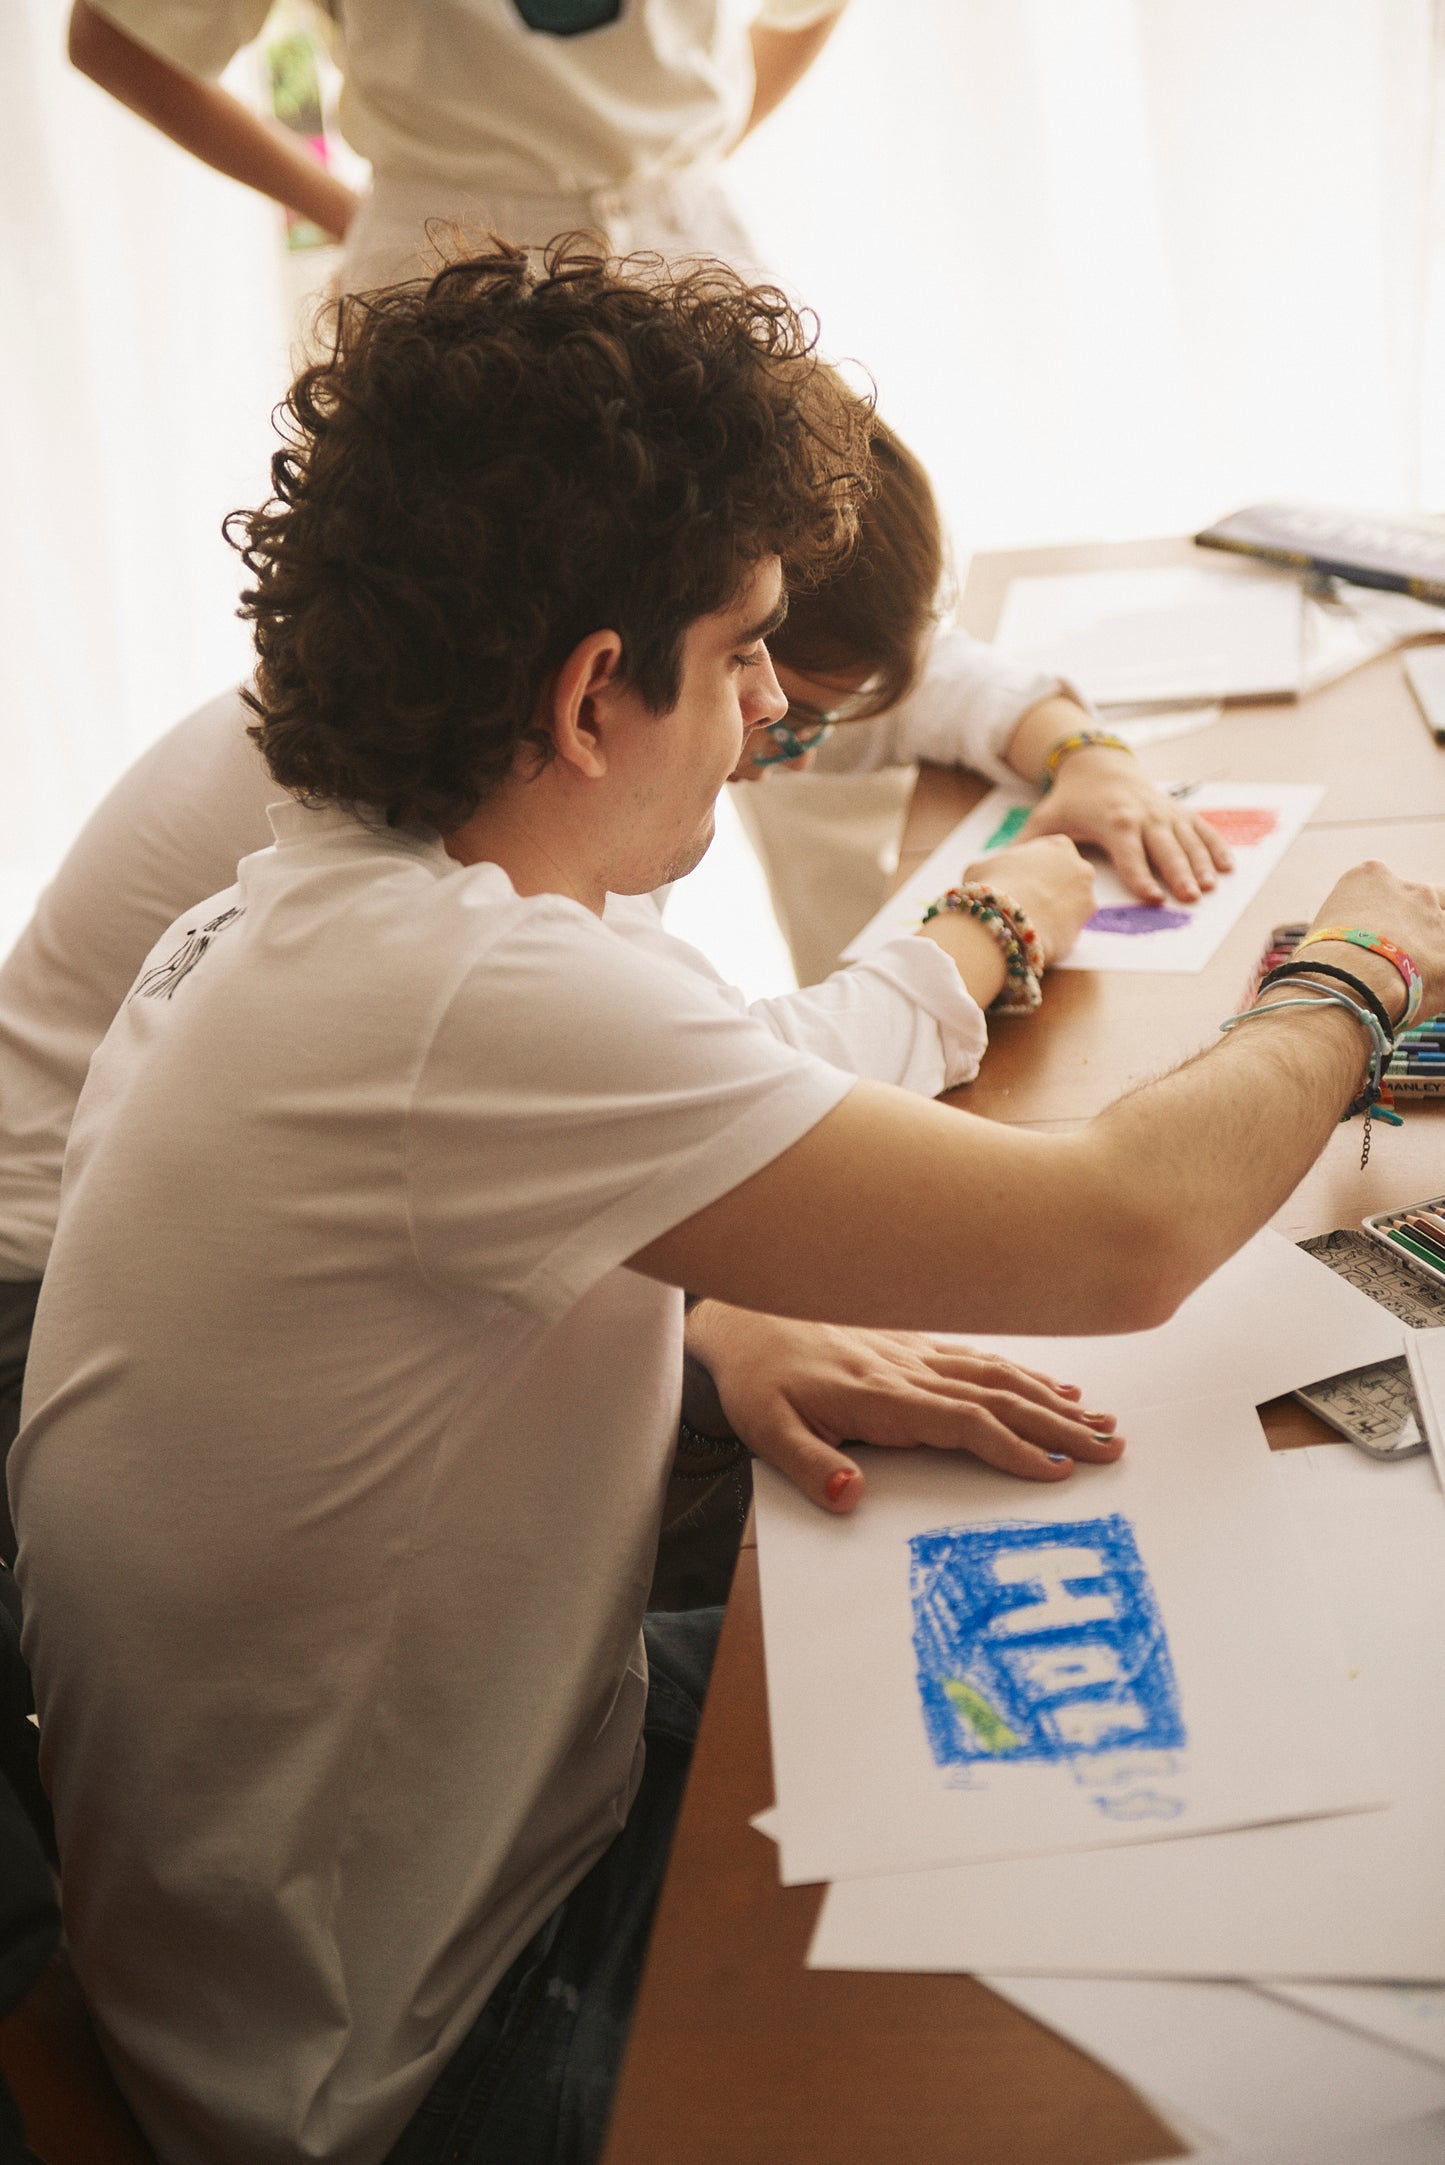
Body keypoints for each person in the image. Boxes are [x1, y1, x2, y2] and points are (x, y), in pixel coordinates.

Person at [11, 242, 1445, 2165]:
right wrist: (1349, 976)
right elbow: (1121, 1235)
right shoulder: (468, 992)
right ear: (600, 689)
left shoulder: (307, 901)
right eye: (753, 654)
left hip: (465, 1821)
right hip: (417, 2056)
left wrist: (705, 1333)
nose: (773, 712)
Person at [66, 0, 1226, 986]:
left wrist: (671, 157)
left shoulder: (797, 685)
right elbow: (120, 36)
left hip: (685, 236)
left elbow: (857, 670)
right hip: (450, 267)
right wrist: (356, 209)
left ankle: (890, 1079)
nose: (778, 719)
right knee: (545, 765)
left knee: (782, 663)